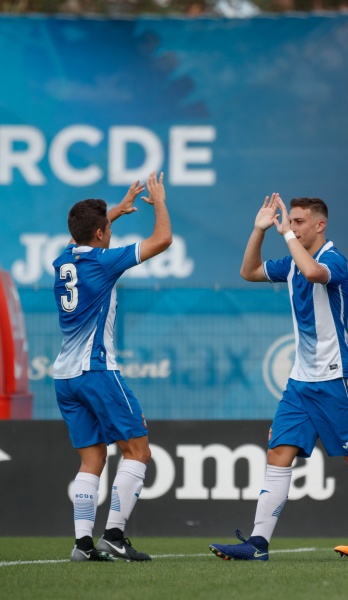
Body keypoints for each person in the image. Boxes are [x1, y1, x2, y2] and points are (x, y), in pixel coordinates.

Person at [209, 194, 348, 561]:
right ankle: (258, 544)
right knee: (278, 453)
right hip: (300, 382)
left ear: (320, 225)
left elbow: (314, 273)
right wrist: (258, 231)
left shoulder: (333, 259)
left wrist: (286, 235)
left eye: (300, 221)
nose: (292, 226)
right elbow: (249, 271)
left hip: (335, 378)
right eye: (292, 221)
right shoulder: (291, 262)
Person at [53, 173, 171, 562]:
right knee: (138, 451)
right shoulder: (103, 263)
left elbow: (82, 237)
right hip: (96, 372)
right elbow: (162, 241)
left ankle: (83, 545)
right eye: (106, 229)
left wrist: (114, 213)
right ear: (102, 234)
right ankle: (115, 536)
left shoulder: (62, 261)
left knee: (92, 459)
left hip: (65, 378)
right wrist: (160, 201)